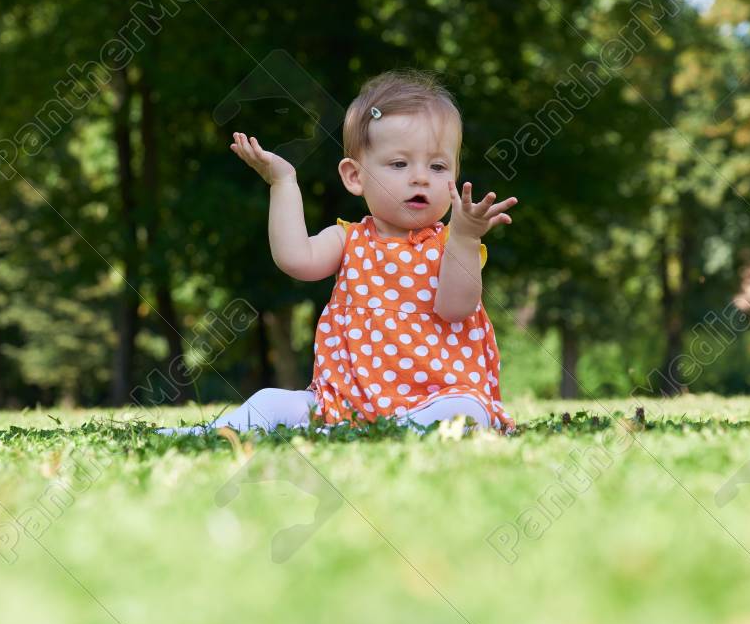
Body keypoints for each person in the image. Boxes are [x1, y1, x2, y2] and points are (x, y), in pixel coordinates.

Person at [158, 70, 517, 437]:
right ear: (354, 176)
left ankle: (392, 429)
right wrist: (283, 184)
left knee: (467, 411)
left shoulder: (452, 244)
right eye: (399, 164)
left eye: (438, 166)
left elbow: (455, 307)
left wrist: (466, 237)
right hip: (345, 400)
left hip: (438, 394)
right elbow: (295, 259)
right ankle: (218, 431)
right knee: (272, 401)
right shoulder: (349, 239)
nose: (420, 177)